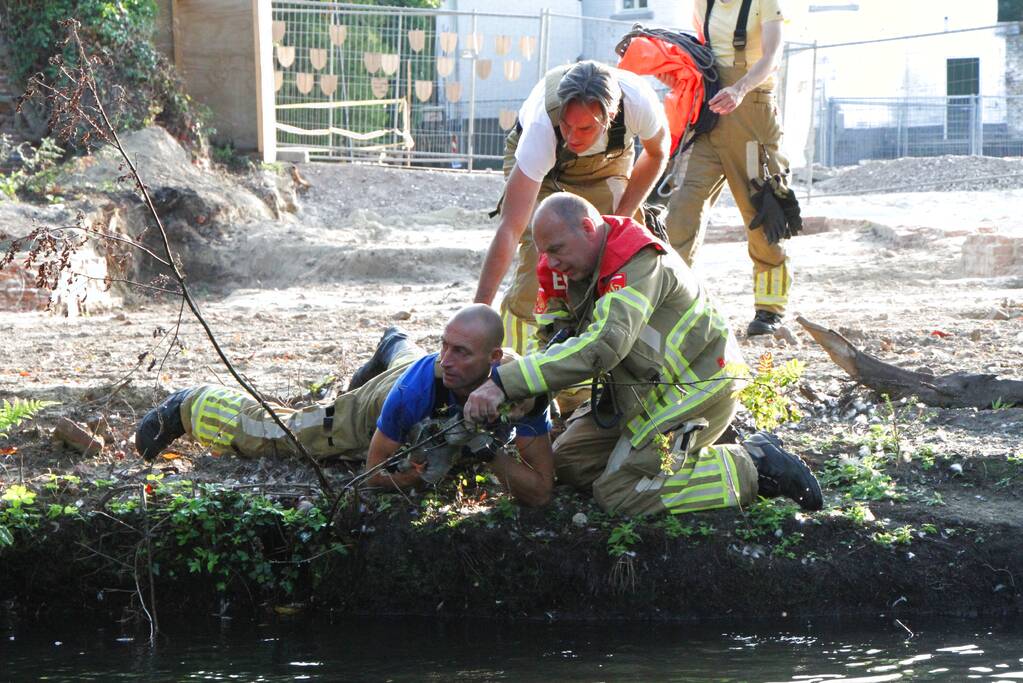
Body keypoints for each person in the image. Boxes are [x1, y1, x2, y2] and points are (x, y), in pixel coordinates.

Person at [464, 193, 821, 516]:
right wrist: (527, 393)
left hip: (697, 386)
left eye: (556, 249)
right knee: (570, 464)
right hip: (640, 390)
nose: (551, 262)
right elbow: (553, 345)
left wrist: (505, 383)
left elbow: (603, 347)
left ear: (588, 228)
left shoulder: (636, 261)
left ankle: (753, 465)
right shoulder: (566, 270)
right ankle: (667, 458)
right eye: (545, 252)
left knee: (619, 494)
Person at [134, 305, 554, 506]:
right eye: (444, 345)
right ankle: (190, 403)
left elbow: (539, 492)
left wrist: (485, 450)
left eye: (462, 350)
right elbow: (372, 473)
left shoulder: (523, 394)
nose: (448, 358)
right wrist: (406, 479)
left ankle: (395, 345)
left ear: (495, 359)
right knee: (283, 434)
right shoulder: (416, 392)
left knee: (423, 367)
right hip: (378, 405)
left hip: (419, 378)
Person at [474, 60, 670, 355]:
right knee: (538, 257)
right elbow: (511, 228)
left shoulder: (638, 103)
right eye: (567, 125)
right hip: (548, 173)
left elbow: (657, 154)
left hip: (607, 164)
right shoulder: (543, 127)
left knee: (620, 253)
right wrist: (478, 313)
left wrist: (621, 218)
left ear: (611, 115)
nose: (574, 137)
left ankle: (599, 352)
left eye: (585, 127)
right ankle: (512, 364)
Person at [663, 0, 794, 337]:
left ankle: (769, 311)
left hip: (752, 114)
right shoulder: (701, 3)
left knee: (764, 213)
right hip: (708, 117)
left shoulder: (766, 3)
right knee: (681, 210)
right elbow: (703, 50)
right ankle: (676, 304)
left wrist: (739, 89)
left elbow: (772, 55)